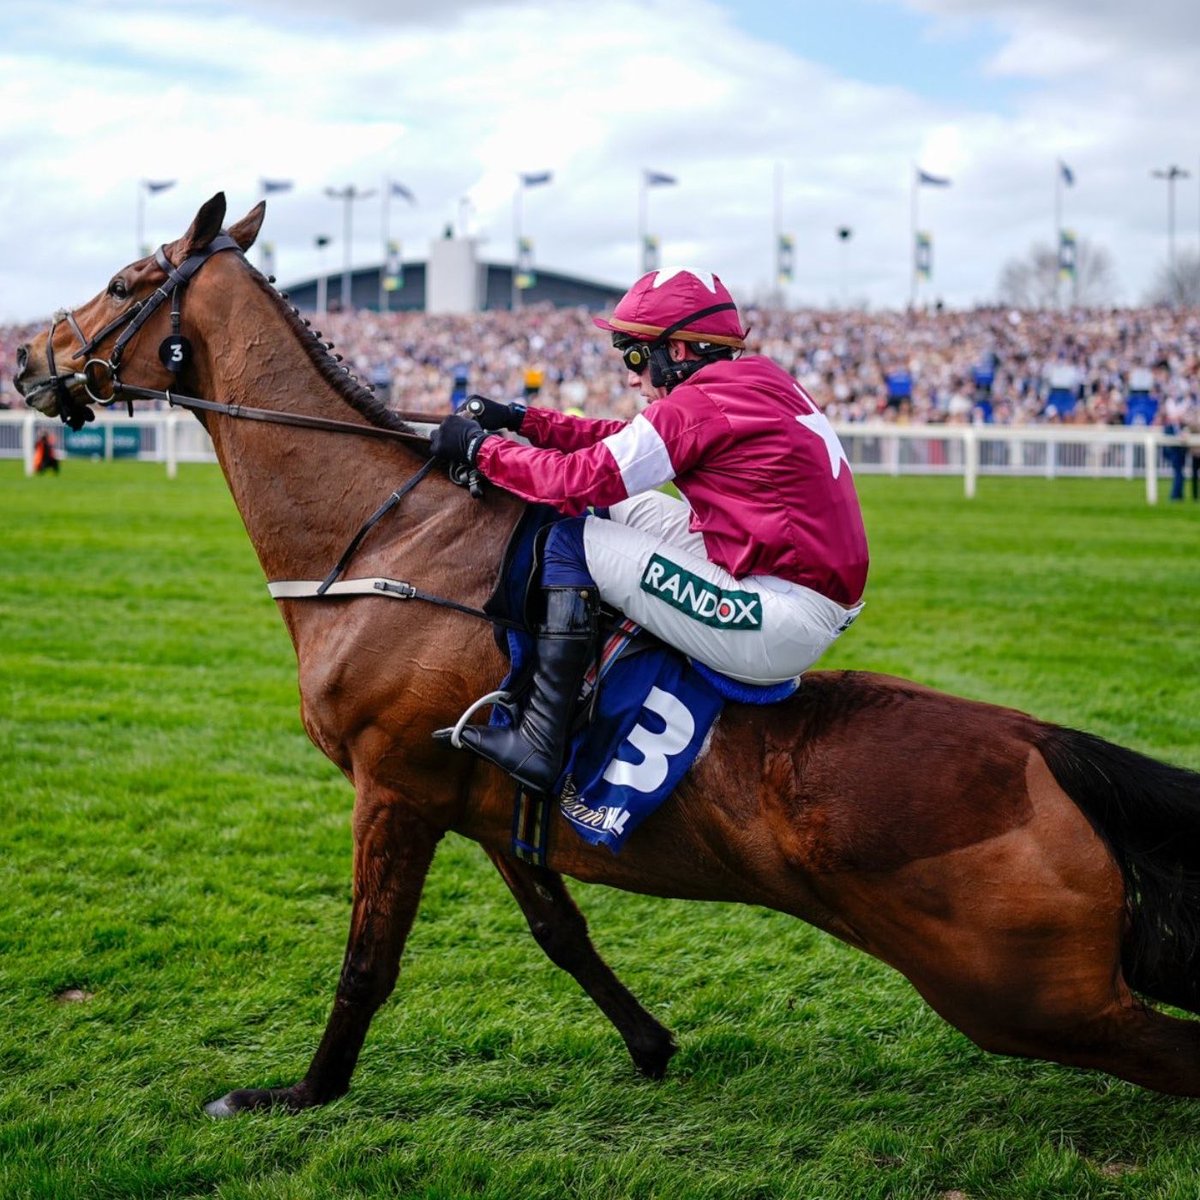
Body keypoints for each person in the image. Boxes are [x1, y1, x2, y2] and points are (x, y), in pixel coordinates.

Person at [431, 267, 869, 792]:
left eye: (635, 356)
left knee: (569, 540)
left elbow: (571, 483)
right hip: (792, 587)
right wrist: (525, 420)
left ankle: (538, 742)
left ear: (678, 351)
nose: (632, 376)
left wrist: (480, 448)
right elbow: (628, 439)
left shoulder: (703, 403)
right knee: (621, 508)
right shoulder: (753, 378)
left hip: (778, 617)